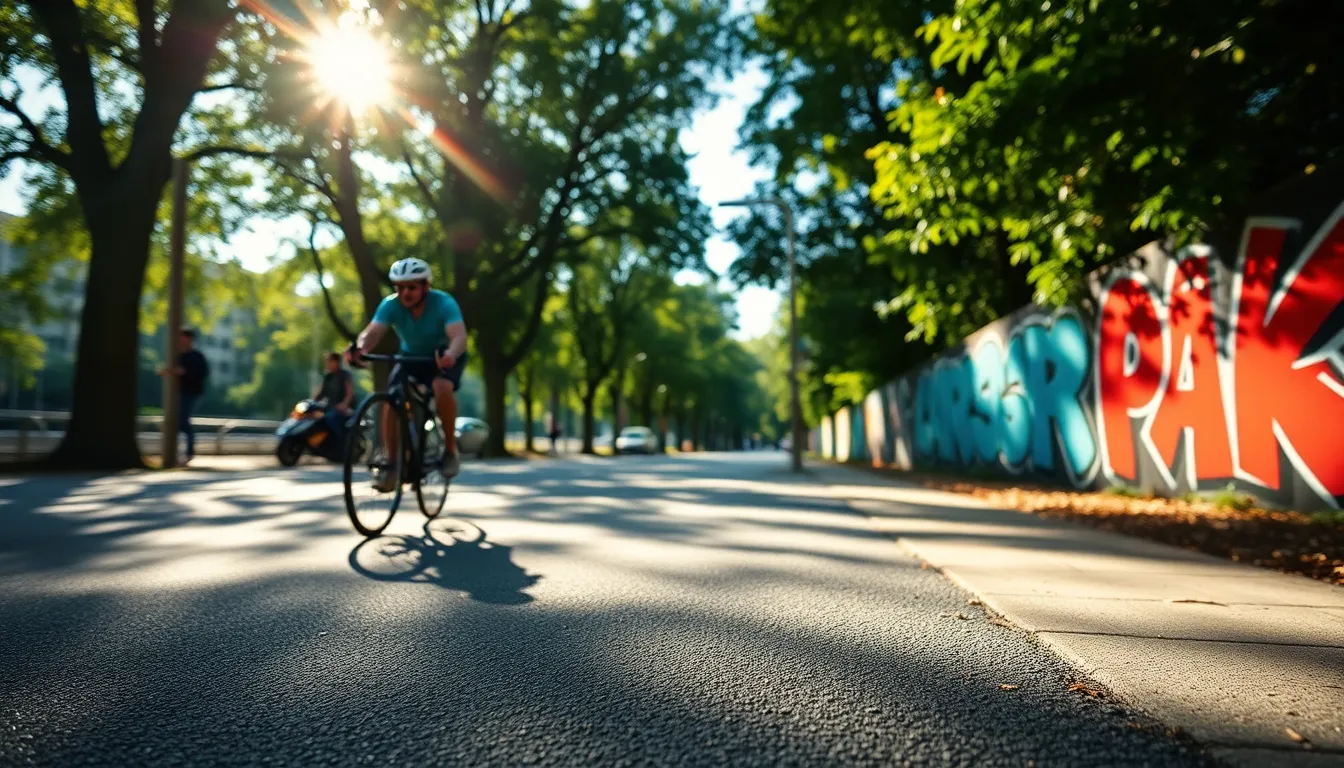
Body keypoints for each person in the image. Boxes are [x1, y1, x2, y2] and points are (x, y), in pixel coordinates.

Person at [348, 257, 468, 491]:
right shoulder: (390, 305)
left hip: (442, 355)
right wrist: (360, 348)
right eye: (400, 288)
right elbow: (372, 332)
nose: (405, 294)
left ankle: (450, 450)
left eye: (412, 287)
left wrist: (451, 355)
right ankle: (392, 464)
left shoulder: (444, 303)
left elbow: (459, 336)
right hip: (410, 357)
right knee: (391, 401)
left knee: (442, 387)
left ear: (426, 286)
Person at [159, 328, 209, 464]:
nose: (181, 341)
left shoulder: (197, 356)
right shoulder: (178, 356)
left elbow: (202, 373)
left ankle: (189, 451)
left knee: (182, 420)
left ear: (190, 340)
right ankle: (178, 452)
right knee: (175, 421)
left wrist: (185, 372)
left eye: (184, 338)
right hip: (178, 393)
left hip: (191, 393)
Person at [313, 351, 354, 436]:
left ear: (337, 362)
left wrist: (343, 404)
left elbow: (350, 394)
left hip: (343, 409)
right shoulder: (327, 377)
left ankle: (338, 444)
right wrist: (311, 402)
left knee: (332, 419)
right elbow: (319, 394)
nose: (327, 364)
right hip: (329, 406)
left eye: (330, 361)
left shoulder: (345, 375)